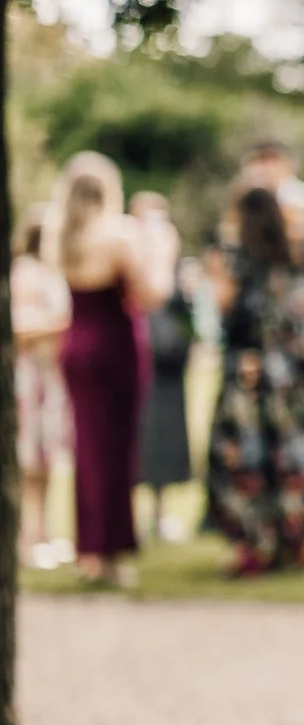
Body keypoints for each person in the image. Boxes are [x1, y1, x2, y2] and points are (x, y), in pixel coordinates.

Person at [48, 152, 171, 586]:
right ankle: (111, 549)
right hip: (113, 346)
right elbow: (150, 294)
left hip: (76, 345)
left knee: (87, 449)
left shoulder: (60, 237)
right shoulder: (116, 237)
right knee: (116, 451)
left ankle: (89, 550)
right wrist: (162, 250)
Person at [206, 185, 304, 576]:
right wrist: (298, 314)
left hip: (250, 375)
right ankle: (292, 540)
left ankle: (257, 544)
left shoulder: (235, 258)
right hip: (289, 374)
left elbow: (227, 309)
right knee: (290, 456)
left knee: (246, 458)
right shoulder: (292, 254)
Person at [12, 207, 71, 568]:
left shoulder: (53, 274)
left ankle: (44, 532)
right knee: (29, 461)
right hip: (28, 377)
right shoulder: (23, 274)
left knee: (47, 459)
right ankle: (26, 538)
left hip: (50, 377)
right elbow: (20, 329)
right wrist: (61, 326)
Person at [132, 192, 193, 540]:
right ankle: (137, 514)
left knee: (165, 433)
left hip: (170, 362)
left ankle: (160, 511)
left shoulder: (176, 269)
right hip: (140, 355)